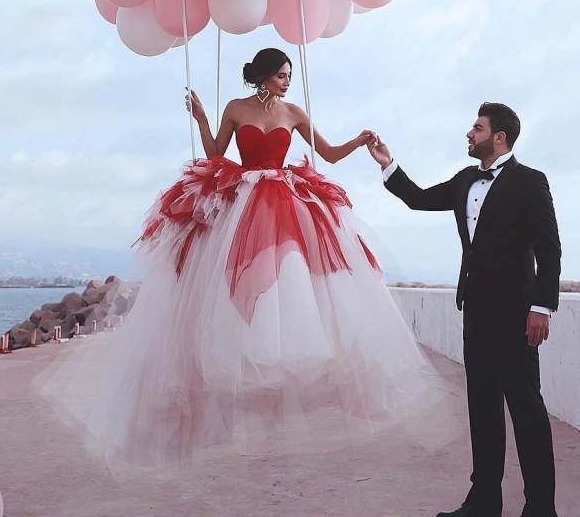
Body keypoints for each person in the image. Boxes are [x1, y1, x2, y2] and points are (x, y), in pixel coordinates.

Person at [45, 48, 443, 468]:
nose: (288, 81)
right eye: (282, 75)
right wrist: (200, 116)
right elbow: (217, 155)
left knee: (290, 274)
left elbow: (327, 154)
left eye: (290, 75)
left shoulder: (295, 112)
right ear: (265, 76)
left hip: (282, 197)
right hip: (243, 199)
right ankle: (230, 359)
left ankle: (282, 354)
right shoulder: (236, 108)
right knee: (225, 275)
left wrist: (361, 141)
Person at [367, 102, 561, 517]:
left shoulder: (530, 182)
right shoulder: (464, 180)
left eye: (477, 127)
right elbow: (419, 199)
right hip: (474, 314)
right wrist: (389, 165)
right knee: (483, 411)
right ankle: (484, 502)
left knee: (527, 411)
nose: (469, 134)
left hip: (516, 317)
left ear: (499, 137)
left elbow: (549, 249)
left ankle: (541, 508)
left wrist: (541, 307)